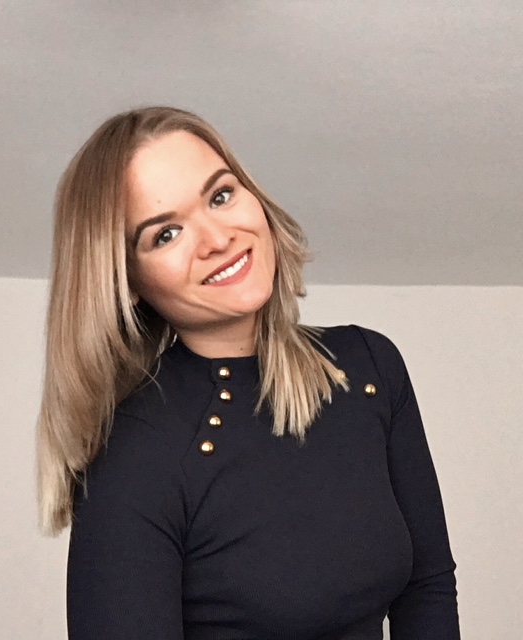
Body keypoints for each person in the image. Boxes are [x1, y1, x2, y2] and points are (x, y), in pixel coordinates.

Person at [36, 106, 460, 639]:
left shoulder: (369, 366)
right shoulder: (135, 457)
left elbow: (427, 587)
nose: (217, 239)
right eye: (166, 234)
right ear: (128, 282)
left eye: (220, 196)